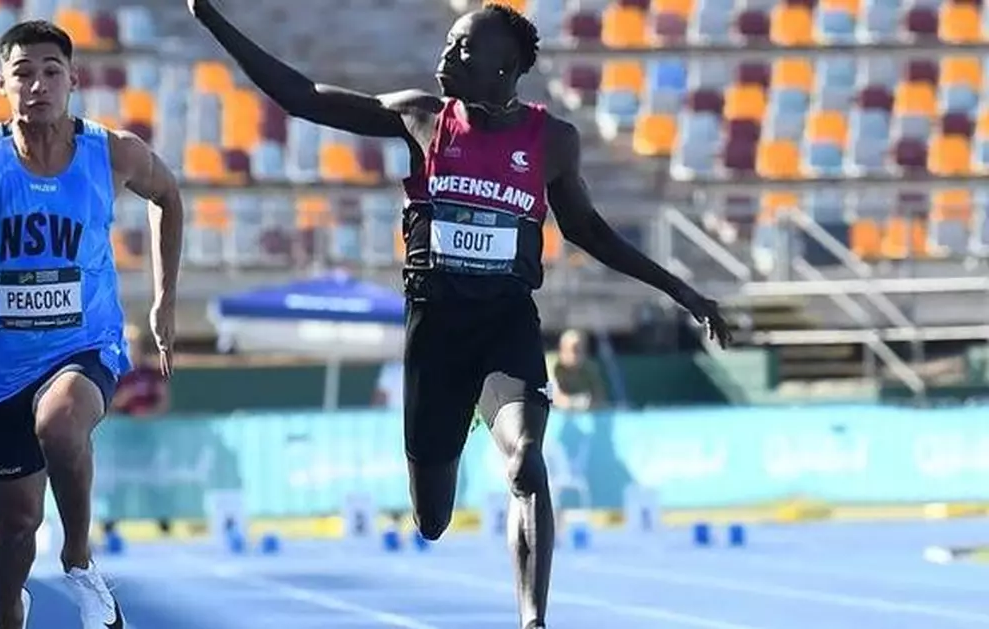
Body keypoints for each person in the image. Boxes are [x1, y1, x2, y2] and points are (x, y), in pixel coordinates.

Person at [187, 3, 731, 628]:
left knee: (527, 461)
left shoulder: (552, 141)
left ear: (504, 66)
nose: (445, 57)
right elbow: (303, 96)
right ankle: (458, 428)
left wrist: (683, 292)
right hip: (436, 329)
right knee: (432, 519)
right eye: (446, 44)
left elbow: (590, 231)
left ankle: (533, 619)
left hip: (505, 324)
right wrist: (209, 17)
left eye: (462, 48)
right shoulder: (421, 118)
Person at [0, 20, 183, 629]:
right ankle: (10, 608)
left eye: (51, 72)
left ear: (74, 80)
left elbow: (169, 196)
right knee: (15, 525)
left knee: (61, 425)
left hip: (84, 346)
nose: (38, 85)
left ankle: (81, 564)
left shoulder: (111, 151)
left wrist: (164, 300)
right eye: (24, 74)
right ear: (4, 86)